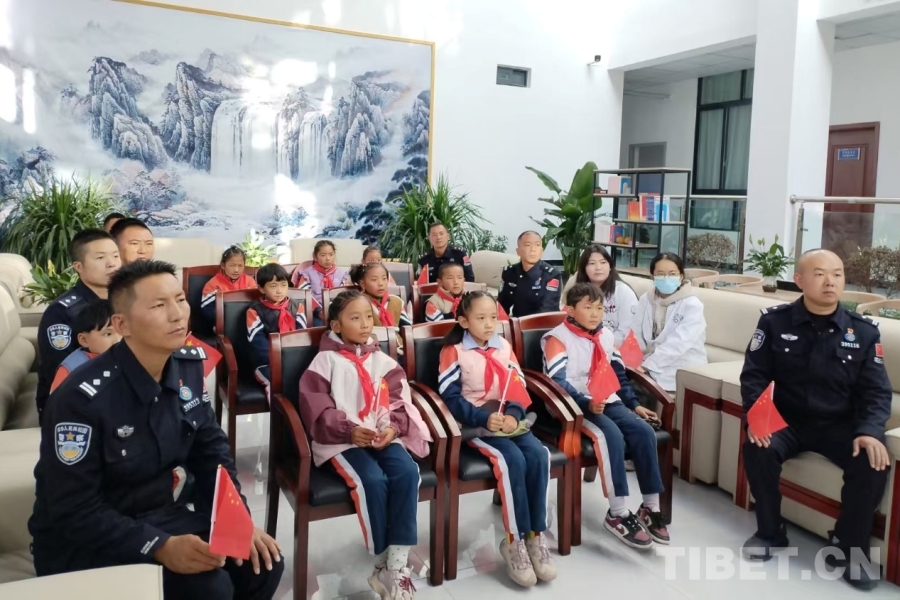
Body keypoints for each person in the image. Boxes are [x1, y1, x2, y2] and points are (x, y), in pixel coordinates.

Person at [28, 260, 284, 600]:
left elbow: (211, 451)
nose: (178, 315)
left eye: (180, 300)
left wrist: (236, 520)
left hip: (158, 514)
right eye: (159, 306)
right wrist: (158, 546)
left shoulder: (186, 366)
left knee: (263, 563)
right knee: (209, 587)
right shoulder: (81, 399)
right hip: (86, 539)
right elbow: (72, 509)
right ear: (122, 324)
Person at [740, 249, 891, 590]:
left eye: (837, 274)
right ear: (799, 280)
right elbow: (754, 376)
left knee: (872, 460)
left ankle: (848, 547)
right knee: (757, 447)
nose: (830, 282)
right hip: (787, 420)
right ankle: (770, 531)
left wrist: (870, 431)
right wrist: (759, 418)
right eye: (820, 274)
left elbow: (877, 392)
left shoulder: (863, 332)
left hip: (838, 424)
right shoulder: (774, 322)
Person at [298, 290, 432, 599]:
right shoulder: (324, 362)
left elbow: (398, 400)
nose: (364, 324)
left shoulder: (383, 361)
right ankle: (382, 559)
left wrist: (393, 429)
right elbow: (316, 407)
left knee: (407, 472)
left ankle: (396, 565)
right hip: (341, 442)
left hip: (380, 436)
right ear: (336, 325)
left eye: (368, 317)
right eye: (355, 318)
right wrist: (348, 431)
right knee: (371, 480)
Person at [438, 292, 556, 588]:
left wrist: (514, 415)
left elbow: (517, 385)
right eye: (481, 318)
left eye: (493, 317)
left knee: (539, 455)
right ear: (463, 321)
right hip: (476, 425)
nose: (489, 324)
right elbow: (449, 397)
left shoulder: (503, 346)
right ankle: (514, 541)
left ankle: (535, 535)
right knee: (511, 459)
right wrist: (482, 417)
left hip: (508, 422)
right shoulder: (454, 351)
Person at [542, 283, 668, 549]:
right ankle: (617, 512)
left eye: (599, 308)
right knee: (609, 435)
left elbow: (618, 373)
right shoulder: (557, 339)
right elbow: (557, 383)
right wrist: (586, 403)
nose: (595, 313)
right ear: (570, 310)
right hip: (572, 406)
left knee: (644, 431)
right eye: (588, 307)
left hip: (606, 399)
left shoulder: (606, 335)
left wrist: (633, 405)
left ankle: (650, 507)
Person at [36, 229, 121, 419]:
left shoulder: (125, 301)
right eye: (100, 258)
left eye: (116, 256)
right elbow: (60, 372)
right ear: (78, 266)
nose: (112, 263)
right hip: (72, 407)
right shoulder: (62, 312)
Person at [631, 252, 706, 393]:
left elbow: (678, 343)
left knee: (637, 389)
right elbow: (636, 334)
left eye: (672, 274)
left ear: (681, 276)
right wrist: (632, 361)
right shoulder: (646, 299)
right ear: (652, 277)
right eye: (660, 274)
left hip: (681, 364)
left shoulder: (692, 305)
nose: (666, 278)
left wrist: (648, 365)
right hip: (650, 362)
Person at [561, 244, 638, 347]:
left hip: (613, 348)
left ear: (610, 266)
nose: (598, 268)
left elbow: (627, 331)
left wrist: (602, 347)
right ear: (584, 268)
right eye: (592, 263)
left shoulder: (623, 291)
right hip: (581, 346)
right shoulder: (577, 290)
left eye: (603, 262)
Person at [247, 263, 307, 392]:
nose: (279, 291)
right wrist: (278, 360)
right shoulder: (254, 311)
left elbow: (302, 336)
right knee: (276, 384)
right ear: (262, 289)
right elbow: (258, 342)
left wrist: (293, 359)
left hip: (294, 359)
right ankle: (276, 403)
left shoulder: (298, 307)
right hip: (266, 363)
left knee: (308, 379)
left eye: (283, 285)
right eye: (273, 286)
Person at [50, 300, 121, 393]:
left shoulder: (131, 358)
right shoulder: (71, 369)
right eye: (107, 334)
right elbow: (57, 400)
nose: (118, 340)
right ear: (84, 340)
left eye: (121, 332)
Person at [498, 231, 561, 318]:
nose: (533, 250)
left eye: (537, 245)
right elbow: (502, 305)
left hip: (544, 323)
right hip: (518, 321)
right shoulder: (510, 272)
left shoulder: (551, 274)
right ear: (518, 251)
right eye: (528, 245)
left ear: (542, 251)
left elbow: (548, 309)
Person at [292, 240, 349, 326]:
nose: (328, 258)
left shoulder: (342, 274)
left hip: (337, 312)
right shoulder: (307, 274)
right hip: (315, 313)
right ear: (315, 257)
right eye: (323, 255)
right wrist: (319, 311)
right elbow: (303, 296)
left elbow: (344, 296)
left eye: (331, 254)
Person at [200, 246, 257, 330]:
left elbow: (257, 305)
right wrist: (228, 318)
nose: (236, 270)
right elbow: (207, 310)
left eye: (240, 266)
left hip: (247, 324)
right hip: (223, 325)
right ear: (223, 265)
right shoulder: (213, 284)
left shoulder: (249, 281)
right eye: (232, 265)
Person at [350, 262, 411, 328]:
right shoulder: (358, 303)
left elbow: (407, 329)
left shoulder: (396, 301)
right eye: (374, 280)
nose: (381, 284)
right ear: (363, 284)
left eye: (384, 278)